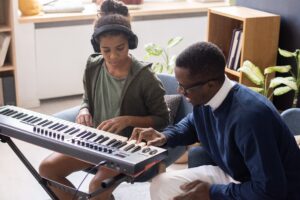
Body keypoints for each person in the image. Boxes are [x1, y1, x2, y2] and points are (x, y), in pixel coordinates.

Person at [130, 41, 300, 200]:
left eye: (185, 88)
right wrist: (164, 137)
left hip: (273, 192)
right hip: (235, 176)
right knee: (162, 185)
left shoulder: (250, 117)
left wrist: (212, 192)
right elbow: (192, 125)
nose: (180, 91)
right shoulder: (204, 99)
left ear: (210, 85)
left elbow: (270, 190)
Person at [39, 1, 169, 200]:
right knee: (47, 169)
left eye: (120, 48)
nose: (113, 56)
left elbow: (162, 119)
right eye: (106, 50)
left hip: (128, 147)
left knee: (97, 187)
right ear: (97, 47)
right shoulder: (93, 66)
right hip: (96, 141)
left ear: (130, 43)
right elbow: (86, 99)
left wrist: (127, 120)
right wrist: (84, 110)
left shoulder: (145, 77)